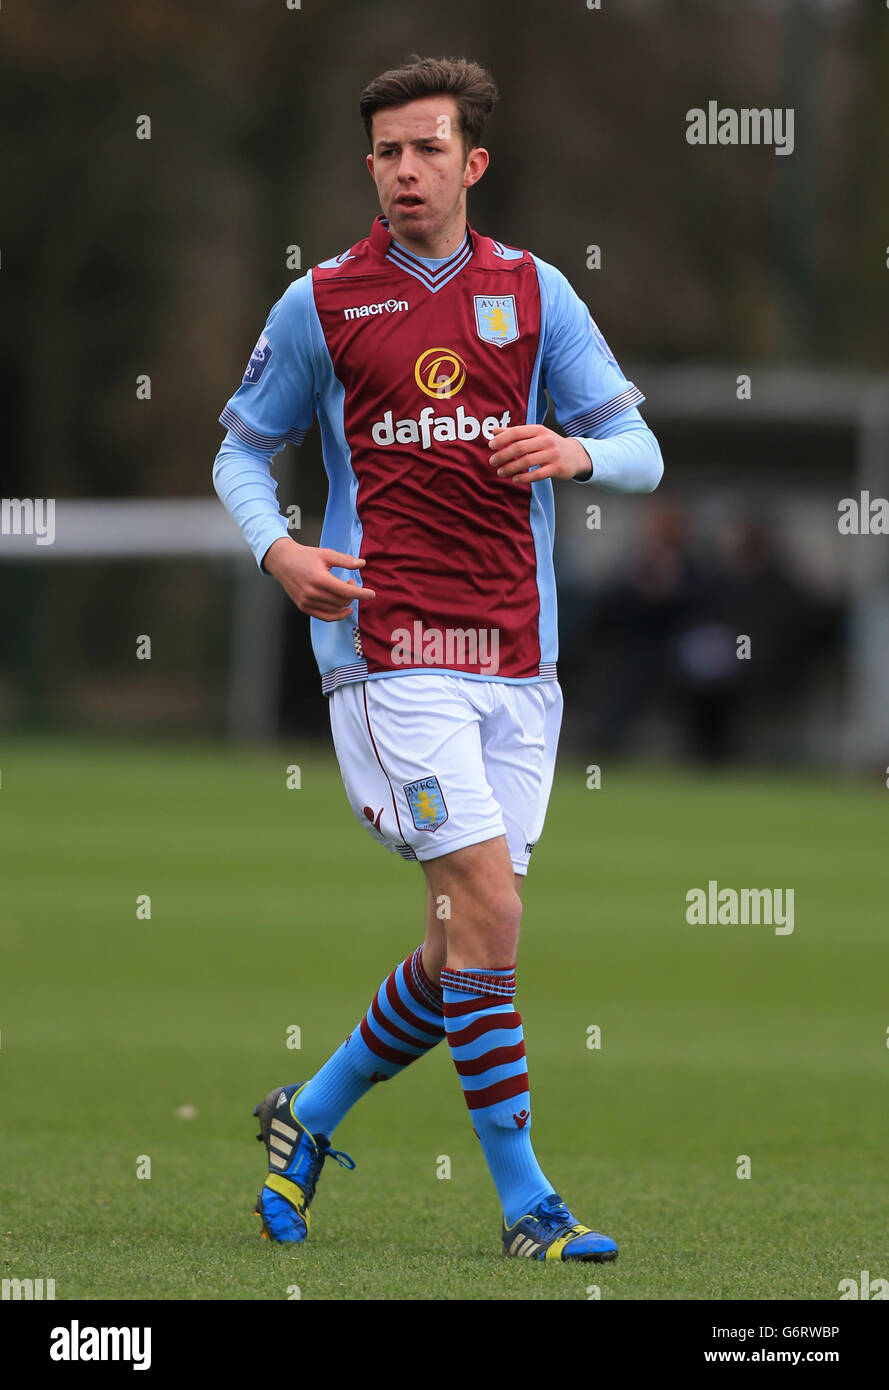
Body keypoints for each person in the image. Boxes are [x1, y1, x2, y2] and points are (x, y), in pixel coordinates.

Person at [213, 54, 663, 1263]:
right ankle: (528, 1207)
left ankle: (303, 1116)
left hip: (519, 657)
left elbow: (640, 450)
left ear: (472, 163)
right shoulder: (320, 303)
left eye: (427, 149)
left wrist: (574, 455)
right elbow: (239, 457)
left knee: (462, 936)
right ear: (369, 165)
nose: (404, 169)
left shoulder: (535, 292)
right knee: (493, 905)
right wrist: (280, 556)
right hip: (387, 648)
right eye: (385, 151)